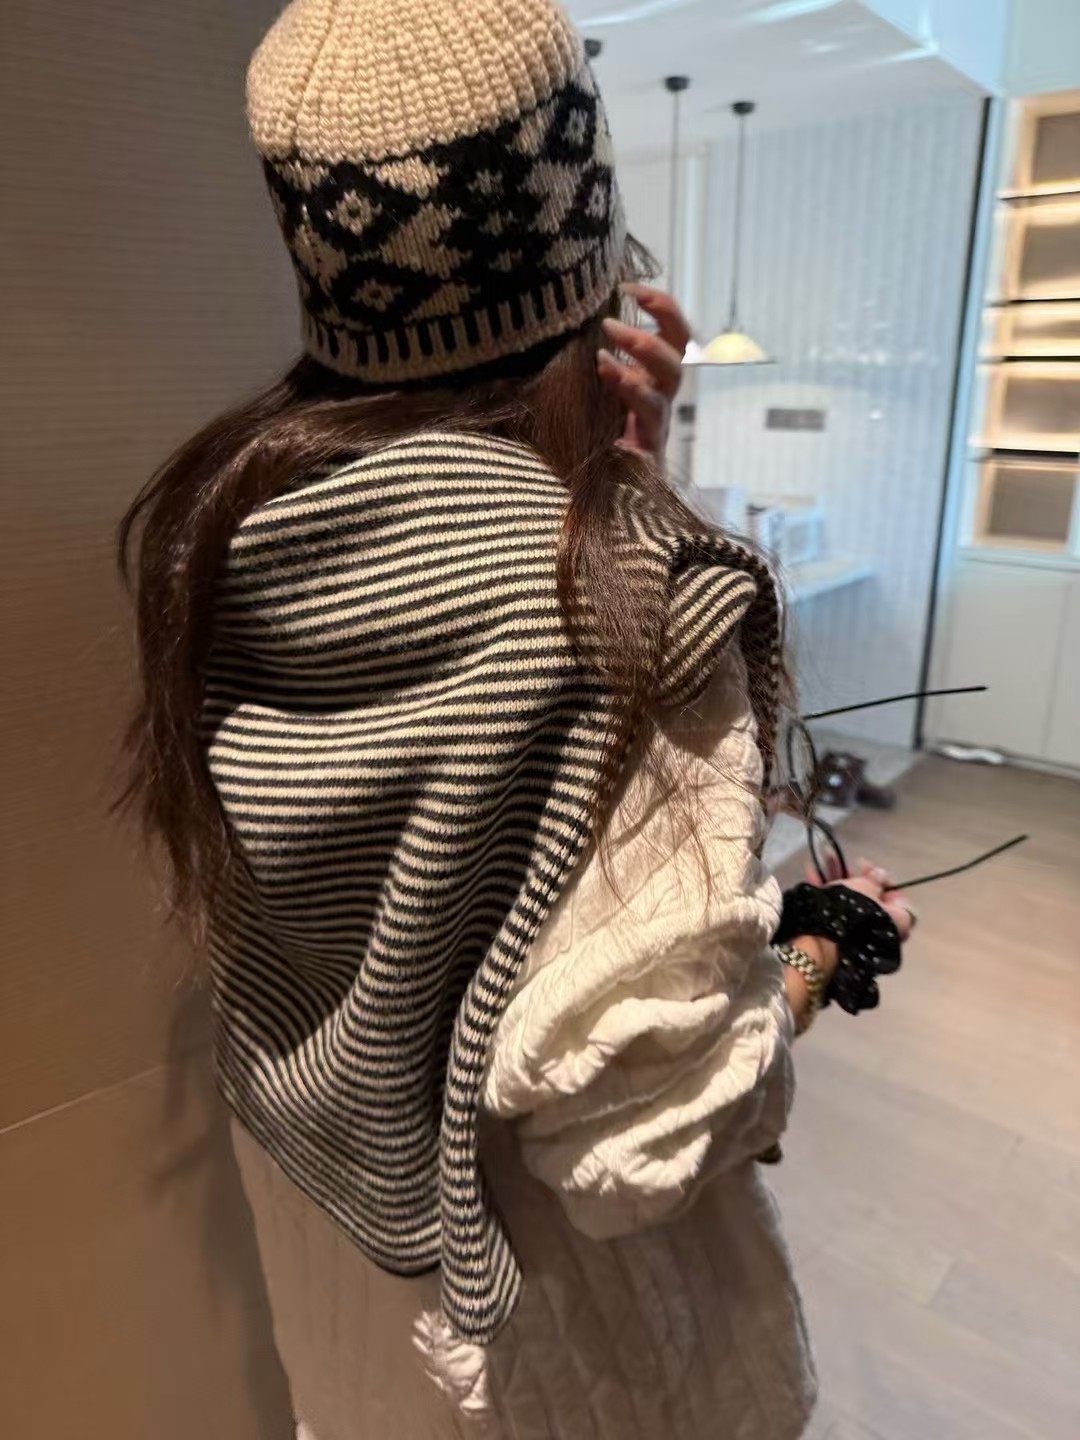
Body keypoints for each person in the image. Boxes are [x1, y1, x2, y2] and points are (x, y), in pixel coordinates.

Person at [119, 2, 913, 1436]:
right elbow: (642, 1137)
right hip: (562, 1354)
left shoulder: (215, 528)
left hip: (346, 1275)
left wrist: (618, 486)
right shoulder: (631, 613)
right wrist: (821, 949)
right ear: (585, 256)